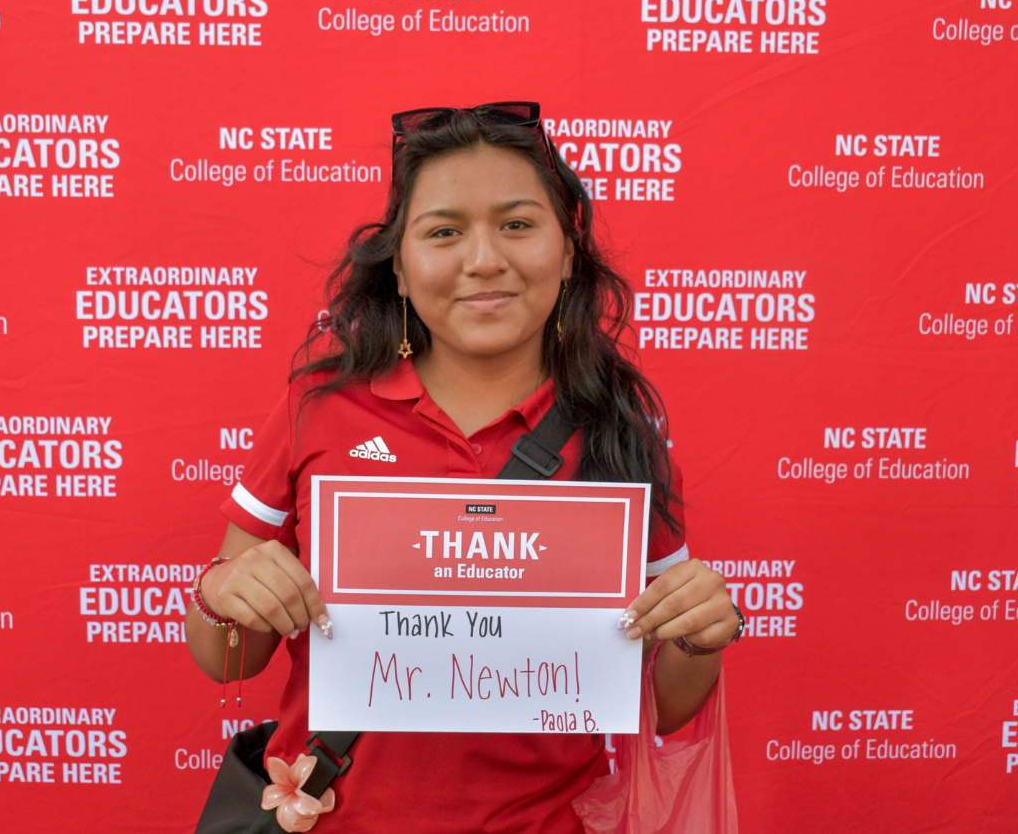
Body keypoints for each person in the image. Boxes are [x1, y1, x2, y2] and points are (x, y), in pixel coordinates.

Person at [186, 102, 740, 834]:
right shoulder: (318, 410)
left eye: (517, 224)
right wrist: (227, 591)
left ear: (568, 250)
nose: (484, 259)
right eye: (444, 232)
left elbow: (666, 702)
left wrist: (700, 630)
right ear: (402, 269)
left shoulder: (617, 426)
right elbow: (228, 660)